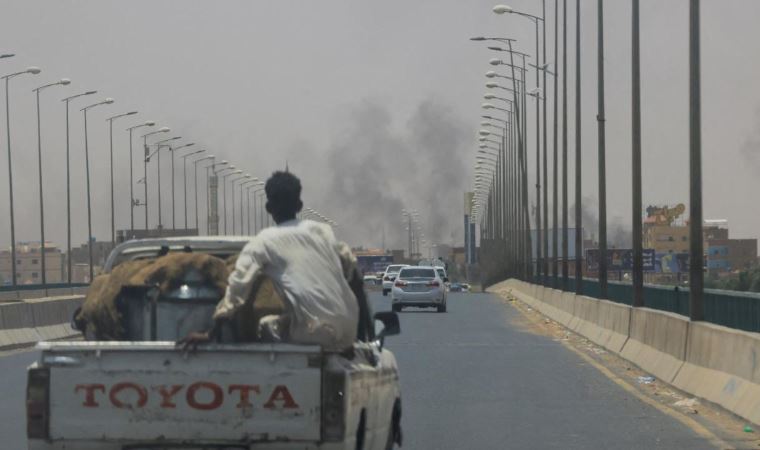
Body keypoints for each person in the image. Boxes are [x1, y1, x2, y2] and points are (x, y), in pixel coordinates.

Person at [180, 171, 360, 352]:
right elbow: (351, 266)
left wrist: (210, 334)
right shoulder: (323, 231)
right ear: (299, 205)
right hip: (350, 330)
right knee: (293, 322)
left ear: (268, 207)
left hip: (313, 333)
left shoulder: (264, 241)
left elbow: (237, 288)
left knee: (267, 326)